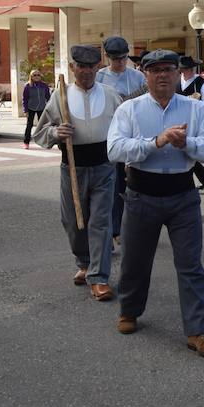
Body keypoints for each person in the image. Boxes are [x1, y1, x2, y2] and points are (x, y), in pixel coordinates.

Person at [107, 49, 204, 357]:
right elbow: (115, 149)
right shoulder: (130, 110)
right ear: (145, 74)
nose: (162, 75)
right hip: (141, 193)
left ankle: (197, 331)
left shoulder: (194, 109)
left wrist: (188, 143)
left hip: (183, 195)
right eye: (155, 70)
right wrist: (155, 142)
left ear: (176, 72)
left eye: (168, 69)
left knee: (190, 264)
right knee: (134, 261)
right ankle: (129, 311)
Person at [33, 45, 122, 300]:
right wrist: (55, 133)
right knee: (73, 221)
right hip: (71, 166)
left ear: (98, 67)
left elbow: (122, 128)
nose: (86, 71)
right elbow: (41, 132)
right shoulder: (59, 95)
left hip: (104, 166)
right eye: (80, 66)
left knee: (100, 222)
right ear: (73, 67)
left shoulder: (111, 94)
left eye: (91, 66)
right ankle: (83, 263)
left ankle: (99, 277)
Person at [96, 35, 148, 244]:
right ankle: (115, 229)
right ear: (107, 57)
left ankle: (134, 226)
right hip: (109, 137)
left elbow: (146, 102)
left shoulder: (137, 77)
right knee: (112, 184)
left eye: (124, 58)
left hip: (134, 136)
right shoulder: (99, 77)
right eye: (116, 59)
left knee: (133, 184)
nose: (120, 63)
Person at [178, 55, 204, 189]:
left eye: (192, 68)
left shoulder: (201, 83)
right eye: (187, 68)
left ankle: (199, 177)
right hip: (177, 121)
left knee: (187, 150)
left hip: (194, 121)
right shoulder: (177, 82)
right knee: (182, 151)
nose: (191, 70)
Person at [22, 70, 51, 149]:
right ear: (31, 76)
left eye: (38, 75)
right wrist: (25, 110)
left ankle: (43, 142)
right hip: (30, 107)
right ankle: (26, 142)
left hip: (42, 108)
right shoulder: (27, 86)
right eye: (34, 75)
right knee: (29, 125)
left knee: (43, 126)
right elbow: (25, 99)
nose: (37, 76)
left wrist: (50, 107)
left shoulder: (44, 85)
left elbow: (48, 97)